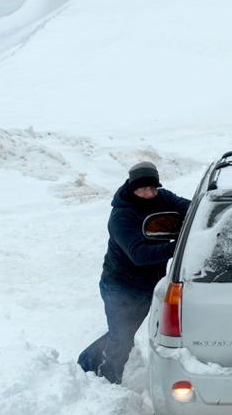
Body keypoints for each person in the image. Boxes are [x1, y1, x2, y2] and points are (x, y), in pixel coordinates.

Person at [78, 161, 191, 384]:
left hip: (148, 284)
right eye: (143, 189)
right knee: (122, 337)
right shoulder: (122, 216)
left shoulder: (162, 197)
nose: (149, 193)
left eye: (153, 188)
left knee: (122, 333)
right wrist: (180, 245)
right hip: (120, 285)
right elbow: (139, 255)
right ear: (132, 187)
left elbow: (190, 208)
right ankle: (110, 382)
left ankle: (87, 362)